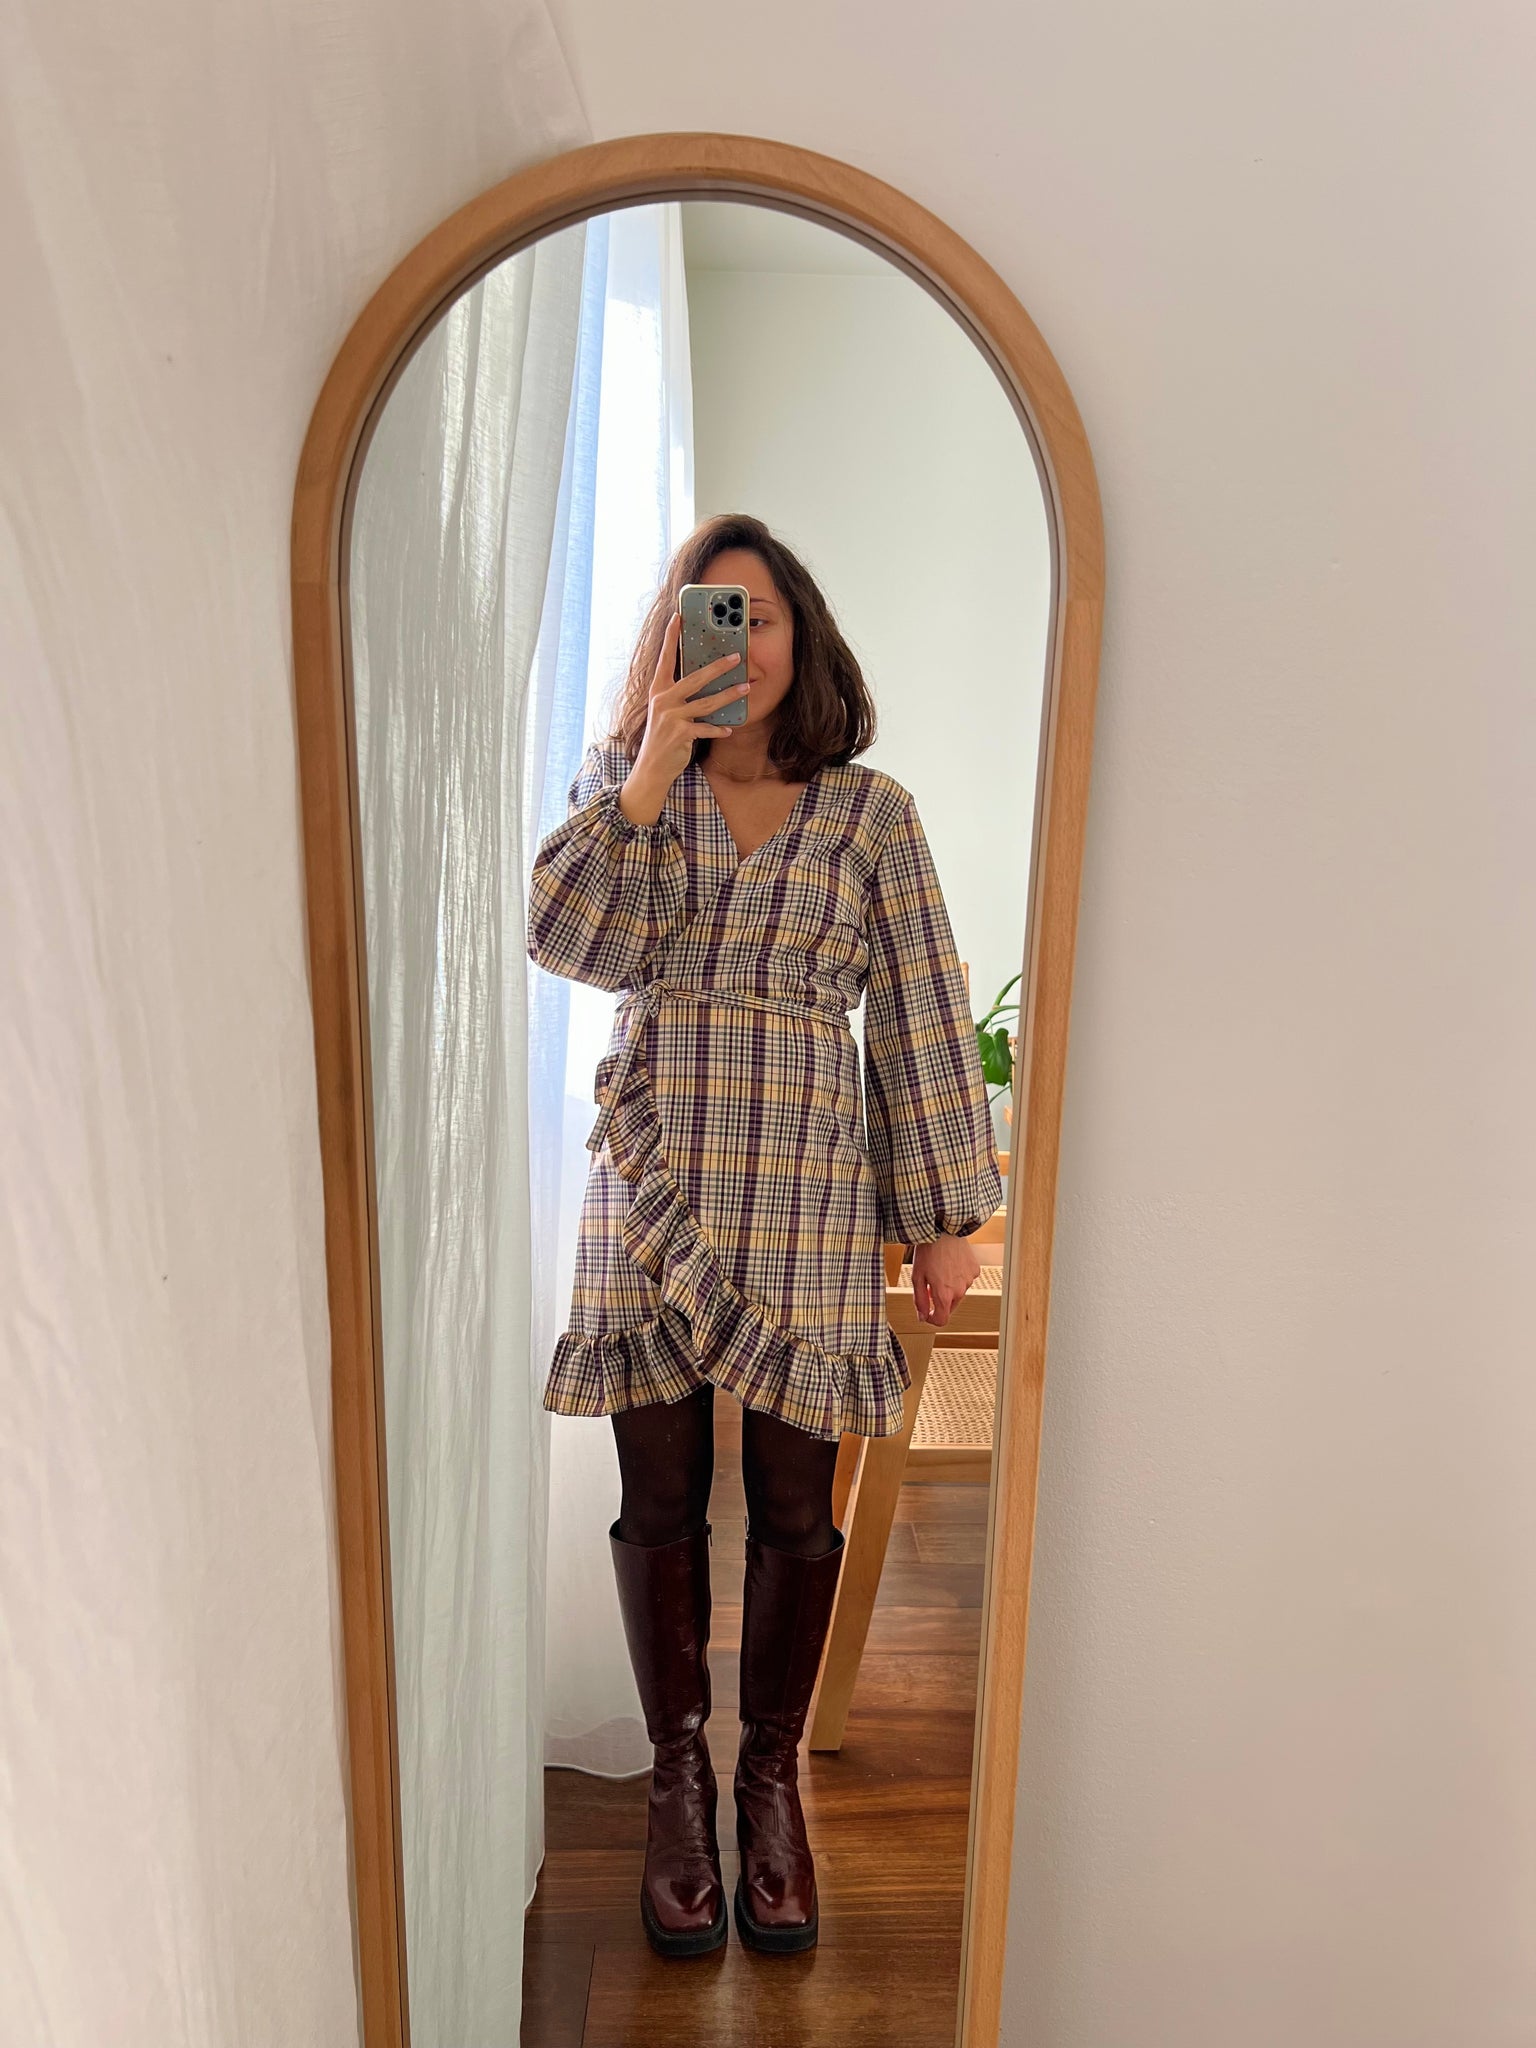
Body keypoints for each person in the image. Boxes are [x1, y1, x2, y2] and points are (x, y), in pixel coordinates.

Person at [526, 513, 1002, 1960]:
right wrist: (647, 774)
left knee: (798, 1503)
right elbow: (563, 940)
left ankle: (770, 1780)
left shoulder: (872, 816)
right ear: (673, 642)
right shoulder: (626, 789)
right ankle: (678, 1782)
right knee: (660, 1492)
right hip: (656, 1164)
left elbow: (922, 1006)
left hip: (808, 1179)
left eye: (763, 615)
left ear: (803, 637)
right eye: (710, 614)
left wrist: (941, 1216)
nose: (741, 642)